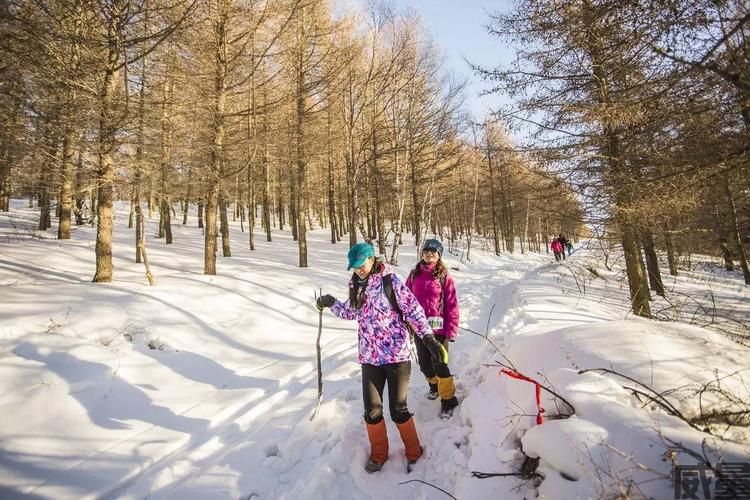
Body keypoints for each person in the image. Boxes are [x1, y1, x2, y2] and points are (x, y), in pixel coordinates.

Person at [316, 242, 448, 473]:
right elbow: (351, 312)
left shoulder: (391, 283)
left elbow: (414, 311)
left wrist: (428, 337)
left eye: (361, 265)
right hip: (370, 358)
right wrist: (332, 303)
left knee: (398, 409)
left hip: (396, 357)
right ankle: (379, 454)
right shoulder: (356, 286)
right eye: (354, 267)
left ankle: (414, 452)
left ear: (371, 258)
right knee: (372, 410)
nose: (358, 270)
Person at [405, 238, 459, 419]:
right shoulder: (414, 275)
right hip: (419, 328)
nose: (429, 254)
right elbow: (405, 300)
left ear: (439, 255)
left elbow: (452, 304)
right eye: (426, 250)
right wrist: (405, 322)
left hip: (439, 330)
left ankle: (448, 400)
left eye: (433, 251)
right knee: (424, 364)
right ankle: (434, 387)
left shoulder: (444, 277)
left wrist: (451, 329)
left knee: (440, 364)